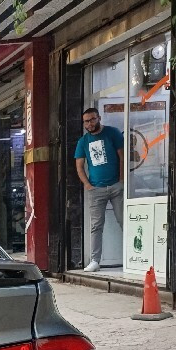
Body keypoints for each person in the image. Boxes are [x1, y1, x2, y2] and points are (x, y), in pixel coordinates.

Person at [75, 108, 124, 272]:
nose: (89, 124)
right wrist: (88, 185)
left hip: (116, 186)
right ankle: (95, 260)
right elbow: (79, 166)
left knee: (124, 220)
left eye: (92, 120)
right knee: (96, 225)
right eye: (86, 121)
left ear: (99, 118)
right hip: (96, 188)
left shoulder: (112, 133)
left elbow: (122, 156)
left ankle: (133, 255)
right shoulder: (83, 141)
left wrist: (122, 180)